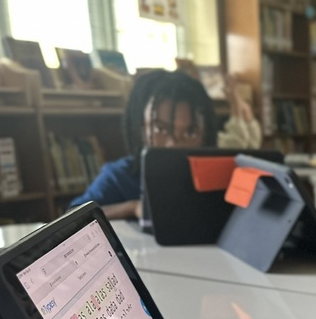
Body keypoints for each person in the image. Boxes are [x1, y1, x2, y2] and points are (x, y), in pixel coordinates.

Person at [70, 69, 259, 221]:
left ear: (206, 134)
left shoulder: (221, 176)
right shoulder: (122, 175)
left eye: (190, 132)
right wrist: (131, 207)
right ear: (140, 128)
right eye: (160, 129)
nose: (173, 144)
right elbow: (72, 217)